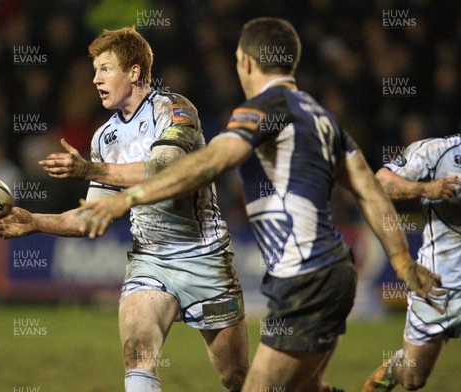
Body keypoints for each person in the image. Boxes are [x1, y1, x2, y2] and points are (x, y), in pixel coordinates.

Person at [77, 18, 444, 392]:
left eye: (238, 60)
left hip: (306, 276)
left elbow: (210, 162)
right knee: (303, 387)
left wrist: (131, 197)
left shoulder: (261, 110)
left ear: (247, 62)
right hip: (337, 273)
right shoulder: (322, 118)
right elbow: (370, 190)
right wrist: (401, 261)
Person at [0, 27, 249, 391]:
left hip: (204, 257)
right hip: (150, 260)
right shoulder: (103, 139)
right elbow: (89, 217)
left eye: (105, 68)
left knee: (236, 377)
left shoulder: (175, 109)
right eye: (95, 69)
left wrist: (88, 170)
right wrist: (35, 221)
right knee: (137, 354)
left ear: (134, 72)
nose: (95, 79)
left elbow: (165, 169)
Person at [363, 136, 460, 391]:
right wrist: (426, 190)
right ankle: (396, 366)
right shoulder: (438, 151)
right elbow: (379, 183)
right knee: (413, 378)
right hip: (439, 287)